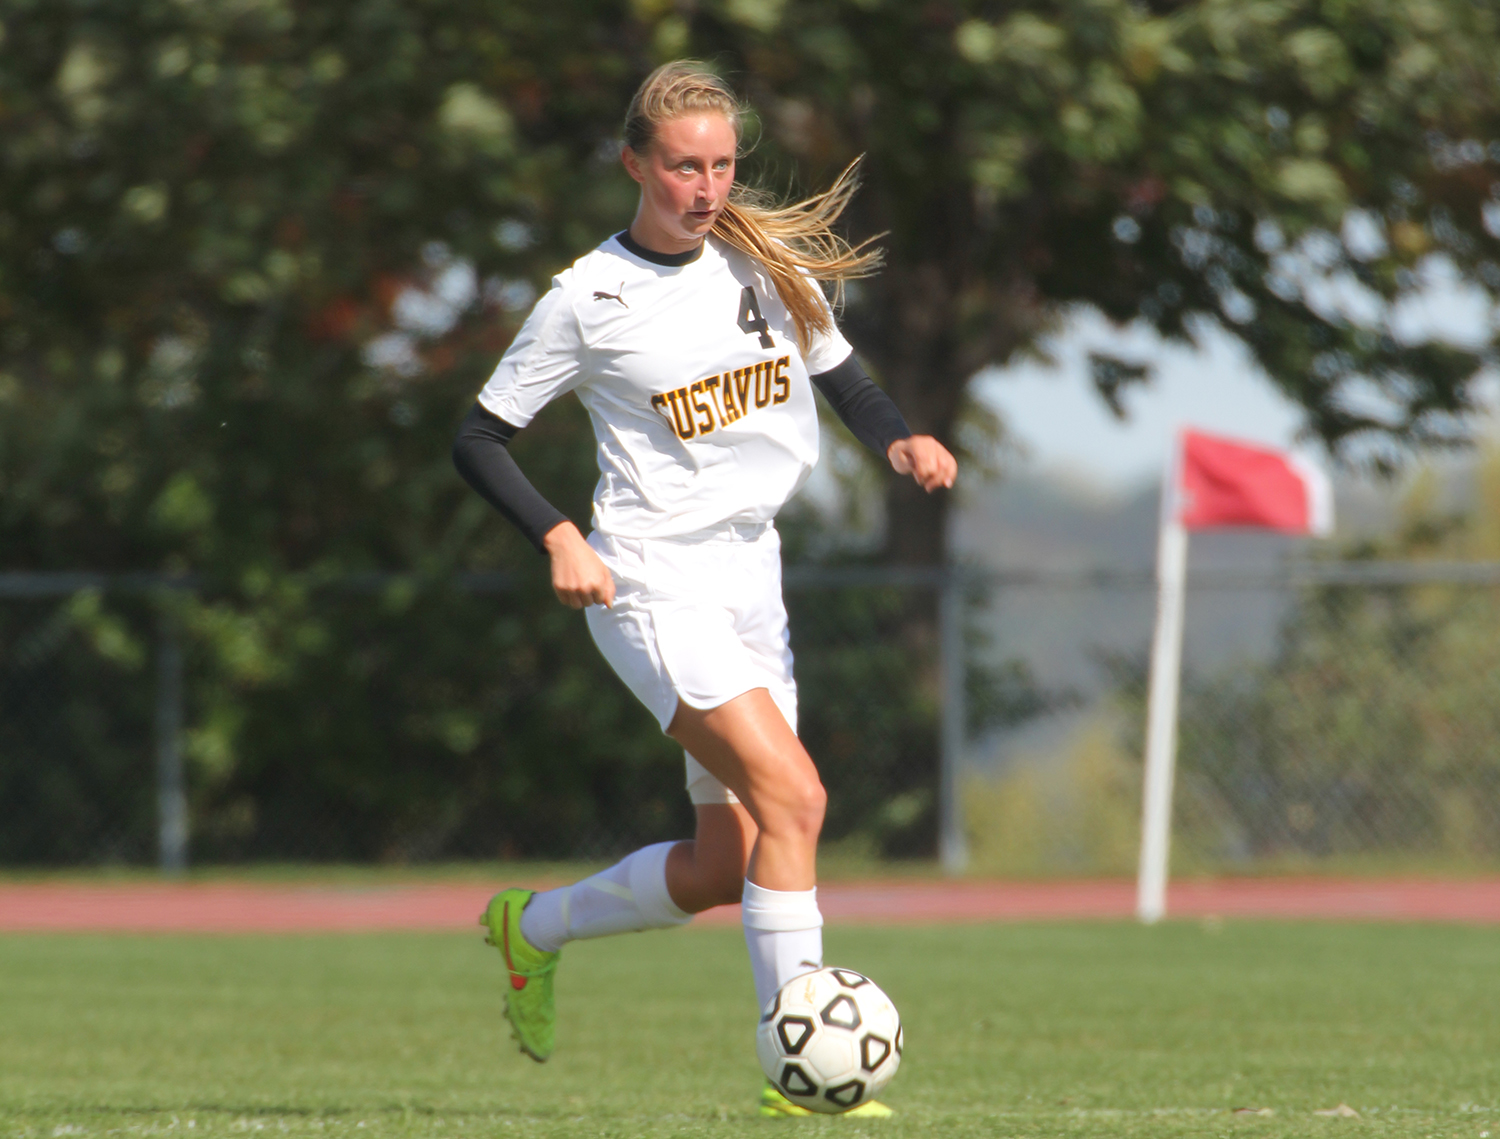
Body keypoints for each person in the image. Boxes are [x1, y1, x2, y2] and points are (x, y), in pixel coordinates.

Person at [452, 60, 955, 1118]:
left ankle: (529, 928)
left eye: (724, 164)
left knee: (732, 860)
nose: (708, 185)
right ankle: (798, 1079)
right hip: (649, 580)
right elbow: (479, 435)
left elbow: (844, 378)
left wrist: (899, 436)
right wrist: (556, 535)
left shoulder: (763, 262)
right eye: (685, 165)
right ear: (636, 163)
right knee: (798, 797)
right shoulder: (588, 298)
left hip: (747, 577)